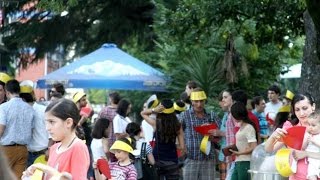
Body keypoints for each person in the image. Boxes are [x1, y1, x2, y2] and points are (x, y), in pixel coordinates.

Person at [22, 98, 90, 179]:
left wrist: (43, 167)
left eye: (52, 122)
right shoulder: (54, 148)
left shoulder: (78, 147)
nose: (47, 128)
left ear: (68, 122)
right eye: (46, 122)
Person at [265, 93, 315, 180]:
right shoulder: (290, 128)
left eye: (305, 108)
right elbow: (269, 149)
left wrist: (306, 154)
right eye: (297, 110)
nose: (301, 113)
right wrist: (273, 136)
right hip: (296, 177)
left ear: (313, 106)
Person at [141, 99, 185, 180]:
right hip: (172, 160)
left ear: (160, 111)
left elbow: (143, 113)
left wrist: (154, 110)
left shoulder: (156, 123)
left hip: (157, 160)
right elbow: (182, 147)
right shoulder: (178, 126)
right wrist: (173, 146)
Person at [0, 79, 36, 178]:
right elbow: (31, 129)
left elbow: (1, 129)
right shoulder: (30, 108)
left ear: (7, 92)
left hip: (6, 149)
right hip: (23, 149)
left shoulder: (3, 107)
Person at [179, 88, 217, 180]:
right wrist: (182, 147)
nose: (199, 104)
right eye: (196, 101)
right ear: (191, 101)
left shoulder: (211, 115)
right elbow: (177, 132)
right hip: (190, 158)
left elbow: (221, 135)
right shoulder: (185, 115)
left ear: (205, 101)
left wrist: (214, 134)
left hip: (208, 159)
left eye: (201, 101)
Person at [19, 83, 49, 167]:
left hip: (42, 154)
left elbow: (50, 132)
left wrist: (49, 149)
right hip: (28, 154)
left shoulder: (43, 110)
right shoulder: (21, 112)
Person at [229, 102, 258, 180]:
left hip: (245, 161)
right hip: (239, 161)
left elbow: (254, 146)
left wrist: (239, 153)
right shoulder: (242, 127)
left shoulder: (248, 127)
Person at [98, 91, 121, 162]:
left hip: (108, 141)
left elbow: (98, 125)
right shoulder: (121, 111)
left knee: (110, 163)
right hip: (120, 142)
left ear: (111, 99)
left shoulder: (104, 111)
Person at [304, 111, 320, 180]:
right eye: (309, 125)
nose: (310, 127)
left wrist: (314, 141)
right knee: (311, 172)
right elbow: (303, 147)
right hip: (310, 158)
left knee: (312, 173)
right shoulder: (309, 135)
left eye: (313, 125)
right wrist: (305, 139)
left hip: (316, 158)